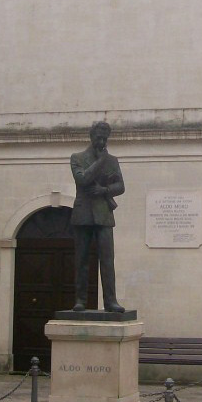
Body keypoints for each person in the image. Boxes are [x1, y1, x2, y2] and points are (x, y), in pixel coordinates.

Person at [70, 121, 125, 313]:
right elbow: (82, 179)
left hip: (103, 214)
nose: (101, 141)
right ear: (91, 136)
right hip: (83, 213)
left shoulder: (113, 160)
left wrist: (105, 189)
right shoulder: (76, 158)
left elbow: (121, 186)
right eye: (98, 137)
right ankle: (80, 300)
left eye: (104, 138)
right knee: (82, 260)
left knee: (108, 260)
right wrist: (101, 161)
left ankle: (111, 301)